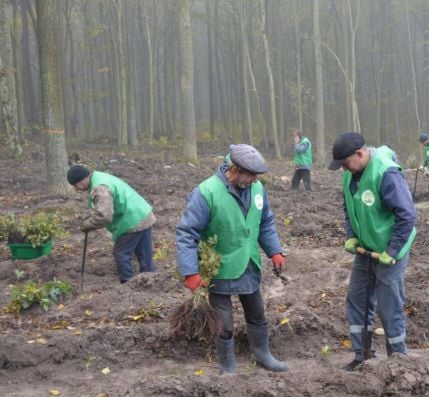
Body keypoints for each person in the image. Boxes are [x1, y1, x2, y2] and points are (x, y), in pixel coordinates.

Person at [176, 144, 288, 375]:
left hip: (249, 263)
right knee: (224, 321)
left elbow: (265, 222)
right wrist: (190, 272)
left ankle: (262, 353)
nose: (256, 180)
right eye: (251, 175)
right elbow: (187, 233)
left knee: (257, 312)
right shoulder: (206, 192)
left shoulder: (257, 189)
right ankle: (227, 365)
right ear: (234, 170)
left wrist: (274, 250)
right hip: (220, 267)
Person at [328, 132, 417, 371]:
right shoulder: (349, 175)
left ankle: (398, 360)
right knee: (357, 299)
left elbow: (407, 215)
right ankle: (362, 355)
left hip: (390, 251)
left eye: (346, 163)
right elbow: (349, 209)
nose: (344, 169)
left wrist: (393, 250)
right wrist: (351, 236)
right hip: (365, 248)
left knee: (389, 304)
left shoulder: (386, 173)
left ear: (359, 154)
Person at [67, 165, 156, 284]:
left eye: (76, 185)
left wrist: (87, 224)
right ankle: (151, 279)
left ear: (83, 179)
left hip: (132, 220)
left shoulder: (100, 188)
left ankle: (127, 284)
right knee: (144, 252)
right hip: (143, 213)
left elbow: (105, 216)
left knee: (121, 252)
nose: (76, 189)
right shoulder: (99, 176)